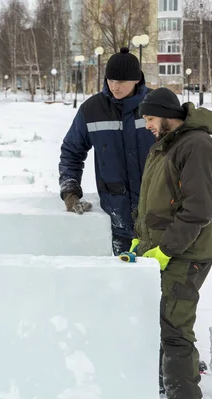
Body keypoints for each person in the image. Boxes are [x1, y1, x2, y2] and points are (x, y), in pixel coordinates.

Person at [134, 87, 212, 399]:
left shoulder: (196, 146)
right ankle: (165, 386)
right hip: (166, 251)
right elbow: (154, 203)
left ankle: (183, 394)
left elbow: (199, 208)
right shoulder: (165, 146)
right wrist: (141, 242)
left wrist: (166, 249)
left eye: (149, 118)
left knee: (174, 330)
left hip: (187, 253)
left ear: (168, 116)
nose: (146, 125)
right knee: (164, 324)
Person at [59, 47, 155, 255]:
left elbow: (181, 151)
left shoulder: (157, 106)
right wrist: (70, 190)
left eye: (121, 82)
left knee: (156, 284)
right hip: (116, 219)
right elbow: (71, 151)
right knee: (119, 284)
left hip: (158, 218)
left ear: (136, 79)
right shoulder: (92, 110)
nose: (114, 87)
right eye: (110, 80)